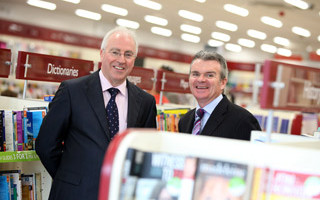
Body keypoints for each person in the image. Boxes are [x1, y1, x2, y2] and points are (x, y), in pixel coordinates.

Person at [35, 26, 157, 200]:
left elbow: (146, 153)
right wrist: (69, 178)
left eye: (128, 54)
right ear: (102, 53)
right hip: (74, 194)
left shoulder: (145, 102)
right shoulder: (72, 91)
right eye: (115, 52)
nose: (121, 60)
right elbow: (46, 145)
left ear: (134, 59)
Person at [178, 50, 261, 140]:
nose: (201, 79)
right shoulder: (184, 121)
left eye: (209, 75)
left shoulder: (243, 120)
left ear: (223, 83)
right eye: (195, 74)